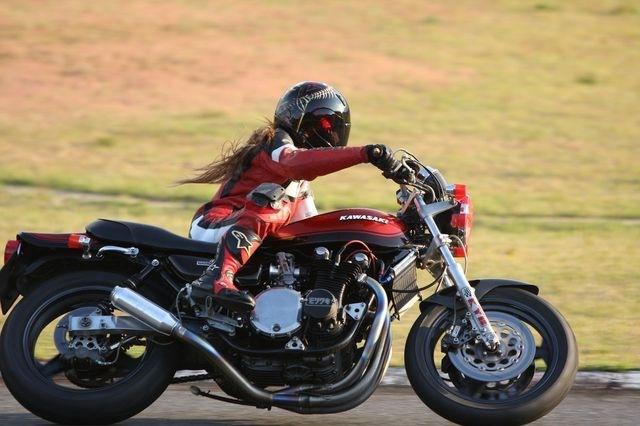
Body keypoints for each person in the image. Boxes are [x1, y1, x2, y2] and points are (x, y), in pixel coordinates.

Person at [179, 81, 400, 313]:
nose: (333, 134)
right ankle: (216, 278)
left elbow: (311, 228)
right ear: (304, 124)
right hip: (213, 224)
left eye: (336, 126)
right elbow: (294, 162)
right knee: (274, 200)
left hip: (238, 225)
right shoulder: (276, 144)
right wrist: (364, 154)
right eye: (326, 125)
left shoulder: (298, 184)